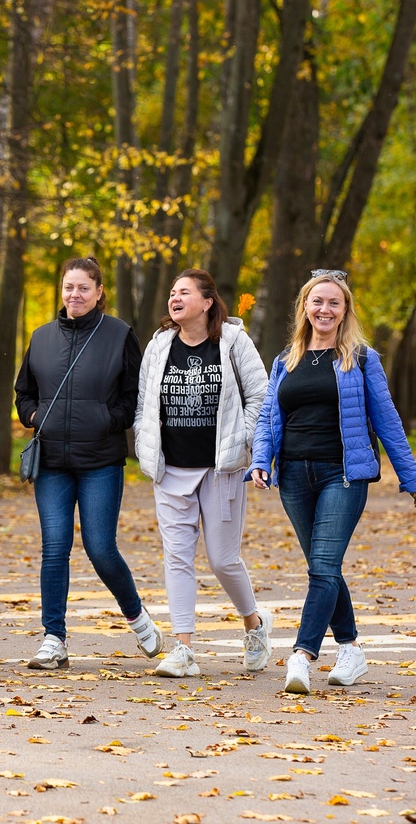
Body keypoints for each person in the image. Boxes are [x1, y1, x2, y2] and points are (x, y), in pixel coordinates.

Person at [249, 269, 416, 693]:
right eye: (317, 302)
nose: (324, 309)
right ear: (305, 308)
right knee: (322, 567)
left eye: (334, 302)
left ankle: (301, 655)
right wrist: (262, 461)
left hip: (344, 474)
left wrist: (413, 478)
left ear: (345, 309)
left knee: (325, 565)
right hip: (294, 475)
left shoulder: (362, 358)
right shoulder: (285, 360)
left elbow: (388, 422)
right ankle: (350, 649)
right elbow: (268, 419)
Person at [14, 256, 161, 670]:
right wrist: (34, 416)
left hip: (101, 460)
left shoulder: (119, 335)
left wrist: (106, 420)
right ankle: (53, 639)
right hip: (53, 463)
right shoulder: (41, 337)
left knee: (100, 547)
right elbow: (23, 393)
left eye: (83, 288)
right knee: (54, 549)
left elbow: (135, 395)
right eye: (68, 288)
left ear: (99, 293)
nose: (74, 295)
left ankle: (137, 617)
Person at [134, 270, 272, 678]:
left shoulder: (233, 341)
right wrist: (147, 445)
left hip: (220, 469)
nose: (175, 298)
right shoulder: (159, 345)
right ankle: (183, 648)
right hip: (171, 468)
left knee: (223, 560)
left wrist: (241, 441)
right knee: (177, 557)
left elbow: (261, 395)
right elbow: (145, 401)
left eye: (184, 292)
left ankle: (255, 624)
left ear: (207, 301)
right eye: (172, 292)